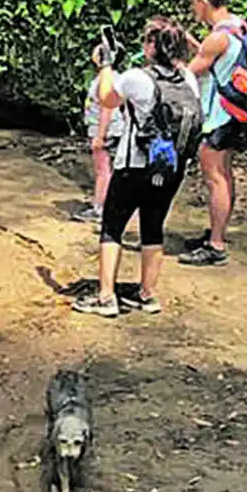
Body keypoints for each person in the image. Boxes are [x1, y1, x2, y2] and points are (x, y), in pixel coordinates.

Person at [73, 17, 201, 318]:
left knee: (112, 227)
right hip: (171, 167)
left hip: (134, 166)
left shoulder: (136, 78)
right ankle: (147, 295)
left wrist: (105, 64)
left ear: (152, 47)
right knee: (153, 227)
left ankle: (106, 297)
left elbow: (106, 98)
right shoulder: (189, 80)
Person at [180, 0, 247, 267]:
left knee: (215, 178)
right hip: (233, 112)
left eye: (195, 4)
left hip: (217, 117)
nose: (194, 10)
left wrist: (169, 61)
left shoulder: (218, 36)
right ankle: (216, 234)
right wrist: (196, 45)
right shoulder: (238, 25)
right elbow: (218, 60)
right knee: (225, 174)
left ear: (204, 1)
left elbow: (188, 74)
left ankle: (216, 245)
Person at [73, 56, 126, 224]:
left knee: (102, 170)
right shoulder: (117, 77)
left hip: (106, 130)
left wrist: (100, 136)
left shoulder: (106, 79)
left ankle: (100, 209)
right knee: (110, 170)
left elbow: (107, 109)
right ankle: (109, 206)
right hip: (114, 129)